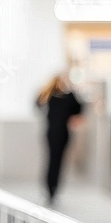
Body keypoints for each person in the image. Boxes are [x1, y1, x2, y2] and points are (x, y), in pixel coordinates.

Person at [36, 73, 84, 205]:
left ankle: (53, 188)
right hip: (55, 133)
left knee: (57, 161)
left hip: (60, 133)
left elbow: (79, 109)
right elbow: (37, 104)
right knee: (53, 160)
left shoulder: (67, 96)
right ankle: (50, 187)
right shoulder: (50, 96)